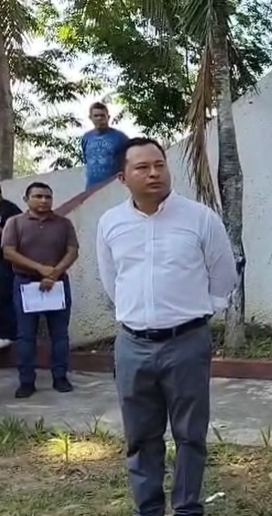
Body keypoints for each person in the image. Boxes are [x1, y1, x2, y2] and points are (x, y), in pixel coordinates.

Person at [96, 137, 237, 516]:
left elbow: (223, 275)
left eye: (159, 164)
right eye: (142, 167)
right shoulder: (110, 223)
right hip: (132, 346)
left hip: (186, 342)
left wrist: (199, 312)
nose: (154, 172)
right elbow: (111, 281)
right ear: (123, 177)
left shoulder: (199, 218)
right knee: (141, 436)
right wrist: (137, 315)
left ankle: (188, 507)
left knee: (190, 434)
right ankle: (150, 508)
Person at [0, 182, 79, 398]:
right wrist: (40, 269)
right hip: (26, 284)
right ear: (27, 200)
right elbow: (8, 252)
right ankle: (26, 381)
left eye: (47, 197)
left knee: (60, 335)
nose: (43, 200)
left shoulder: (63, 224)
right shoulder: (14, 223)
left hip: (57, 284)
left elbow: (72, 250)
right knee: (25, 336)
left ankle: (60, 377)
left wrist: (54, 273)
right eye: (38, 196)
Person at [81, 101, 130, 190]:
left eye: (102, 115)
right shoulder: (86, 138)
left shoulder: (120, 137)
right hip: (91, 188)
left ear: (108, 117)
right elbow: (86, 160)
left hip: (114, 187)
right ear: (90, 118)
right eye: (96, 116)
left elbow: (129, 160)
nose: (99, 118)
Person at [0, 184, 22, 348]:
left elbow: (17, 235)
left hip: (6, 263)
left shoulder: (9, 210)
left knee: (5, 296)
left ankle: (9, 334)